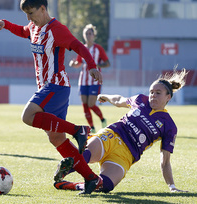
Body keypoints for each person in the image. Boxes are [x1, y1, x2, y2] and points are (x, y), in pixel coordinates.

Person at [0, 0, 104, 193]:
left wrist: (92, 66)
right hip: (48, 87)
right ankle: (92, 178)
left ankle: (78, 130)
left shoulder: (57, 29)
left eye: (31, 13)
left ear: (43, 9)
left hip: (56, 86)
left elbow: (79, 46)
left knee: (27, 116)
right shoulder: (34, 27)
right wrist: (5, 24)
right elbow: (22, 31)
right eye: (26, 14)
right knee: (56, 139)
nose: (28, 18)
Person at [54, 68, 189, 194]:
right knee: (86, 153)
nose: (153, 96)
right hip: (112, 136)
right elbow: (119, 100)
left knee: (105, 186)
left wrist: (172, 187)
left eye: (158, 93)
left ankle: (70, 185)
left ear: (168, 97)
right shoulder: (140, 100)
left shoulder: (169, 126)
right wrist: (105, 96)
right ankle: (64, 171)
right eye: (151, 92)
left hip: (126, 155)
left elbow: (165, 161)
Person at [69, 24, 110, 133]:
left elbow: (107, 63)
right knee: (85, 104)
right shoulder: (81, 47)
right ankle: (91, 127)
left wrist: (96, 66)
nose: (88, 35)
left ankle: (102, 119)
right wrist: (73, 64)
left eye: (90, 33)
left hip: (94, 80)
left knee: (91, 104)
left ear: (94, 35)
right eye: (86, 33)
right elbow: (78, 63)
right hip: (83, 80)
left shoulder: (98, 49)